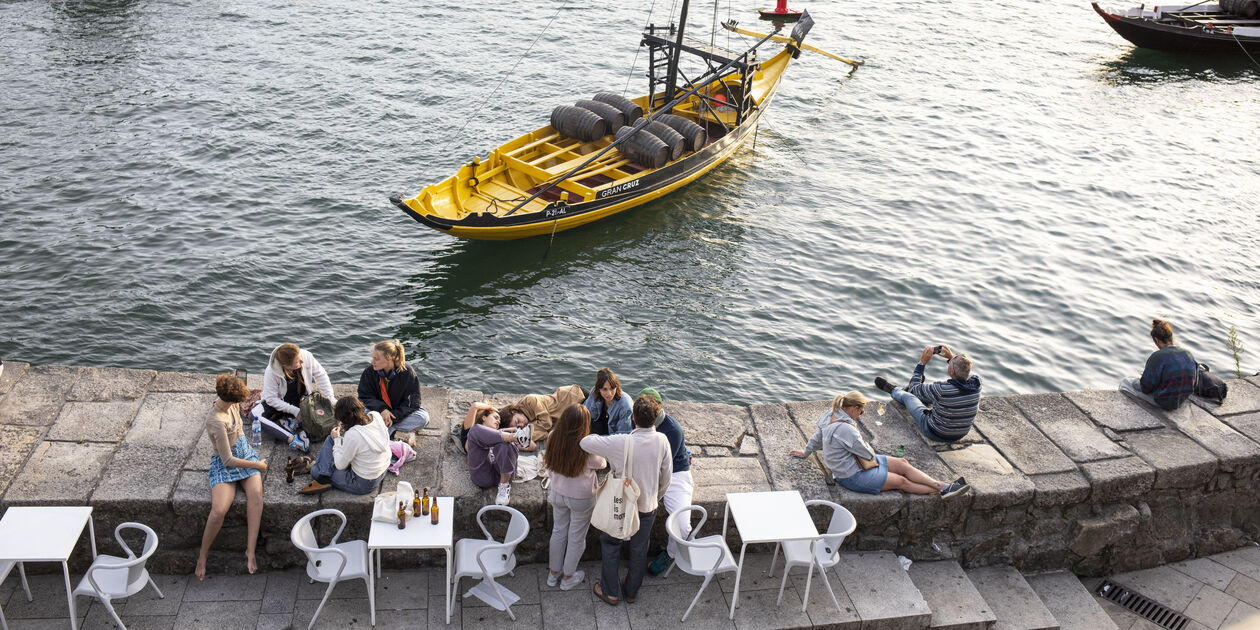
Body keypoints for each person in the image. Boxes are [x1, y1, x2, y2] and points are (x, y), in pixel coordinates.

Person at [580, 395, 672, 606]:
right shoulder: (663, 441)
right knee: (640, 549)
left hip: (622, 502)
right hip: (647, 505)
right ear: (656, 418)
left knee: (611, 543)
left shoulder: (621, 442)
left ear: (633, 417)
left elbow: (585, 442)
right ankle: (631, 591)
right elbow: (667, 476)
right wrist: (655, 498)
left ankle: (610, 591)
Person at [790, 391, 969, 498]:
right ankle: (940, 490)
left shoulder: (831, 414)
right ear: (853, 408)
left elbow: (817, 437)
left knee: (902, 463)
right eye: (861, 411)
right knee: (901, 481)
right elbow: (867, 454)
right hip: (851, 475)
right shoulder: (846, 430)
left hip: (855, 463)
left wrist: (806, 452)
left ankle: (944, 487)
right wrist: (866, 444)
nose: (861, 414)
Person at [197, 374, 267, 580]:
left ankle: (250, 551)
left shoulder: (231, 406)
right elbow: (227, 460)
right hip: (227, 463)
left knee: (256, 498)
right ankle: (202, 556)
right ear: (232, 399)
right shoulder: (216, 420)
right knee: (218, 511)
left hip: (244, 452)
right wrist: (258, 465)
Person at [543, 405, 606, 591]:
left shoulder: (553, 436)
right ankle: (568, 576)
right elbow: (602, 463)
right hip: (581, 498)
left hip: (557, 493)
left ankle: (553, 574)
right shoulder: (586, 446)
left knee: (558, 531)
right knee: (576, 537)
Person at [637, 388, 694, 576]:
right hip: (648, 471)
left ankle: (670, 553)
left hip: (675, 474)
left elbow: (663, 464)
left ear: (660, 406)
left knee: (683, 524)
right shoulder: (638, 419)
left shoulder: (673, 429)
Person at [874, 344, 981, 442]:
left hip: (936, 432)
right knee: (939, 397)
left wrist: (922, 363)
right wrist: (952, 358)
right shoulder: (977, 384)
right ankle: (914, 391)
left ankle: (894, 390)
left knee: (910, 396)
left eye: (950, 363)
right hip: (960, 434)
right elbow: (962, 369)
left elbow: (914, 388)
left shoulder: (942, 389)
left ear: (952, 371)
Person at [453, 384, 586, 454]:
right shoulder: (494, 437)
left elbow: (475, 406)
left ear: (483, 418)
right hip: (574, 415)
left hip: (576, 398)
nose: (497, 422)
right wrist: (512, 433)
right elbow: (534, 443)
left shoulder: (471, 431)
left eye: (496, 419)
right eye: (496, 420)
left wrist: (492, 409)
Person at [298, 396, 391, 495]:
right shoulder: (375, 415)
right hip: (382, 470)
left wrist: (337, 439)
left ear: (345, 419)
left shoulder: (353, 435)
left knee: (315, 471)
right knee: (330, 439)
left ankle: (322, 475)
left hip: (363, 483)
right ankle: (324, 471)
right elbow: (362, 439)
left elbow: (341, 465)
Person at [258, 342, 337, 452]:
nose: (302, 361)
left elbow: (321, 375)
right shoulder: (271, 372)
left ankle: (293, 423)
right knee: (255, 416)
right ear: (286, 366)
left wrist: (330, 397)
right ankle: (294, 438)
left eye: (300, 358)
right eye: (297, 361)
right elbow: (271, 399)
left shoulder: (306, 356)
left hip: (303, 401)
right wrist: (295, 411)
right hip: (282, 404)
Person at [357, 340, 428, 447]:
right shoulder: (369, 372)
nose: (372, 362)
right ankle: (393, 432)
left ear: (389, 358)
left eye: (376, 359)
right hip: (378, 412)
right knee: (364, 413)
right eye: (373, 358)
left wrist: (392, 417)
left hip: (398, 414)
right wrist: (382, 409)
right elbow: (364, 396)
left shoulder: (407, 373)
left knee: (423, 417)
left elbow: (413, 403)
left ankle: (386, 429)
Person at [1119, 318, 1198, 410]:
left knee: (1126, 382)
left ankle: (1125, 409)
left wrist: (1144, 378)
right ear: (1171, 337)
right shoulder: (1188, 354)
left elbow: (1145, 388)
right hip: (1181, 400)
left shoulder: (1157, 356)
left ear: (1156, 340)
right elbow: (1193, 382)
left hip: (1165, 402)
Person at [465, 406, 520, 505]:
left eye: (499, 420)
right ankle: (514, 437)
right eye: (495, 417)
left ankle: (504, 486)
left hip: (504, 473)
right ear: (484, 417)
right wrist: (491, 407)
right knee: (474, 430)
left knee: (505, 444)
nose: (498, 421)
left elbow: (532, 445)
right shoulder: (475, 432)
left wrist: (512, 432)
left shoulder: (503, 431)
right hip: (483, 475)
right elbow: (474, 406)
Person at [583, 368, 634, 435]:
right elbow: (585, 416)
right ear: (598, 389)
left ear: (617, 387)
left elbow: (623, 436)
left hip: (614, 436)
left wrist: (597, 440)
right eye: (604, 389)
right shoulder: (594, 393)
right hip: (598, 430)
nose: (609, 394)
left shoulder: (625, 405)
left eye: (612, 388)